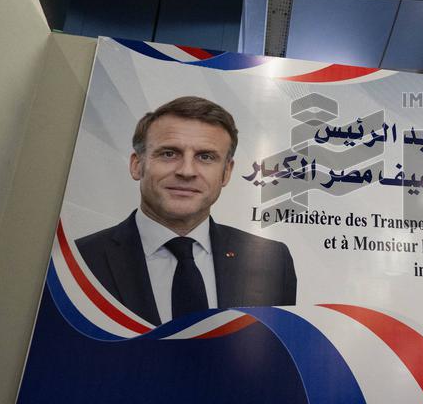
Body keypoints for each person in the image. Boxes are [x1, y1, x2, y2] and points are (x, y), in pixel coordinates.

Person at [76, 96, 296, 325]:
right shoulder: (78, 261)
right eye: (169, 153)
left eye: (206, 157)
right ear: (136, 165)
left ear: (226, 173)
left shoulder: (272, 261)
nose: (187, 171)